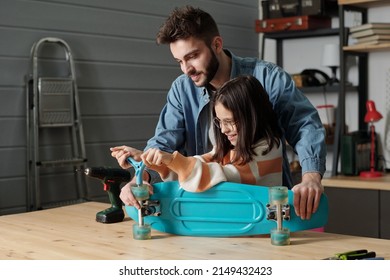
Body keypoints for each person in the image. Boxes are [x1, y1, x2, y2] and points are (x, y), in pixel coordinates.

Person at [111, 5, 326, 220]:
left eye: (193, 56)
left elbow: (305, 125)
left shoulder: (268, 78)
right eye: (179, 61)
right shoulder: (181, 88)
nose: (187, 69)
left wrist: (311, 177)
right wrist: (140, 177)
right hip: (205, 213)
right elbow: (165, 142)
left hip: (263, 213)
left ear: (216, 44)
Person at [140, 75, 283, 192]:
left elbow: (217, 175)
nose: (223, 129)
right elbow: (198, 163)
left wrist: (173, 160)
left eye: (229, 121)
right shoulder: (229, 149)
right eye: (219, 121)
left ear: (253, 116)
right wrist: (155, 161)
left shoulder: (269, 149)